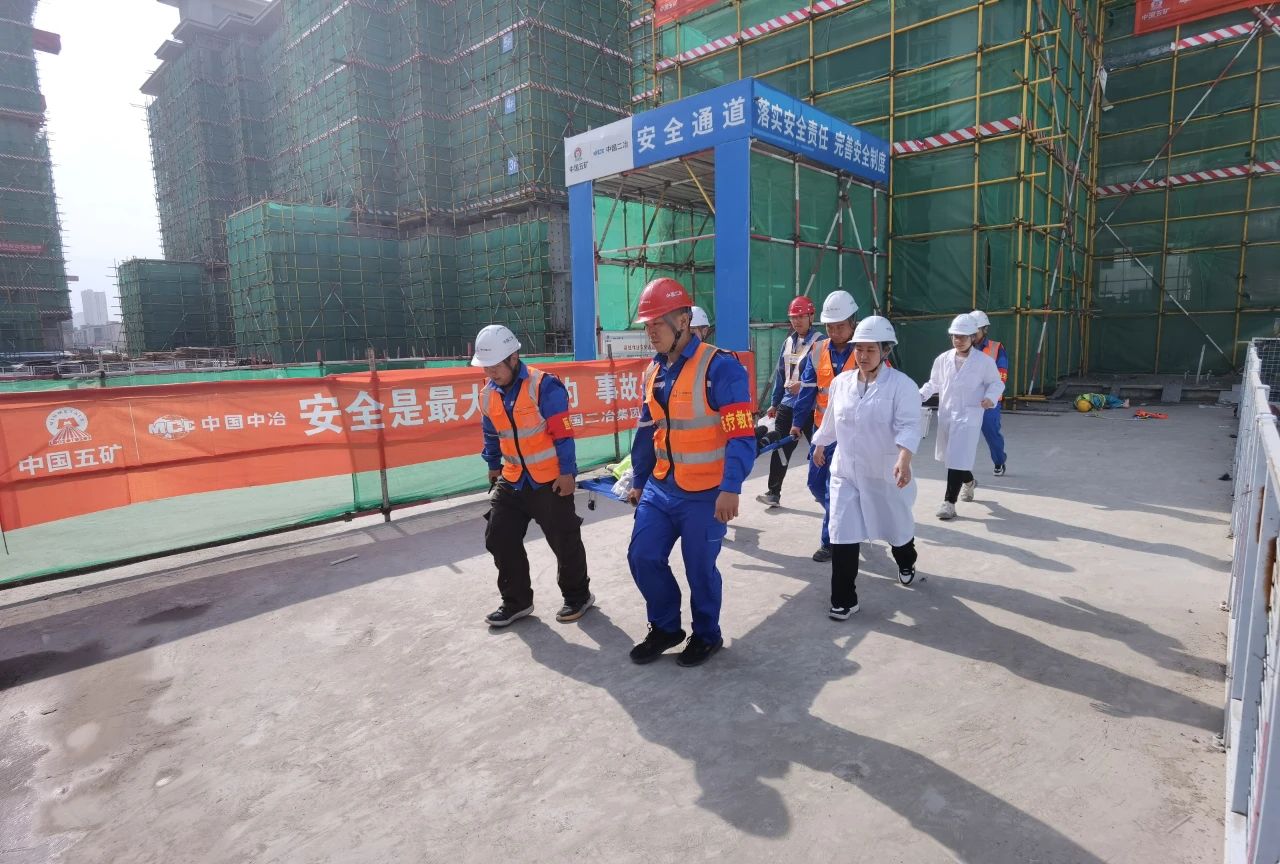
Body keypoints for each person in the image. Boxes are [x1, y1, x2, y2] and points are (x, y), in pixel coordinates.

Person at [626, 278, 755, 667]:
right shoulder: (653, 371)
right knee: (643, 556)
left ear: (683, 321)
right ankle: (666, 627)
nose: (651, 333)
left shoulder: (721, 368)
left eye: (657, 324)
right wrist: (638, 479)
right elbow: (647, 431)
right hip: (661, 487)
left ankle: (706, 635)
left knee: (699, 568)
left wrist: (731, 487)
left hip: (706, 493)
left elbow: (742, 436)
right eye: (647, 325)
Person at [475, 324, 593, 626]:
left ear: (513, 357)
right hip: (513, 479)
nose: (490, 373)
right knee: (498, 536)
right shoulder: (488, 395)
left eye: (495, 366)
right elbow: (491, 433)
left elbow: (563, 433)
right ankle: (516, 601)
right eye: (486, 367)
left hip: (549, 479)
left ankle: (578, 596)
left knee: (564, 539)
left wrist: (568, 473)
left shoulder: (544, 386)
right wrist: (493, 464)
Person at [810, 316, 920, 619]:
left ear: (885, 350)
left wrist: (904, 458)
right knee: (842, 533)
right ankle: (844, 600)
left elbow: (909, 426)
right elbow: (831, 420)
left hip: (883, 472)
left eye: (870, 349)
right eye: (859, 348)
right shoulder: (841, 383)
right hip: (845, 471)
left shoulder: (902, 386)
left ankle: (906, 560)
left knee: (896, 529)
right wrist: (820, 444)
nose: (863, 355)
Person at [790, 289, 859, 562]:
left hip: (852, 437)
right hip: (824, 433)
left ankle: (829, 542)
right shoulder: (818, 350)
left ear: (853, 322)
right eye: (830, 326)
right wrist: (797, 423)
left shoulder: (866, 350)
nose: (834, 331)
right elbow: (807, 390)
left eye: (840, 326)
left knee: (834, 489)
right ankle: (843, 517)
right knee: (816, 484)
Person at [919, 313, 1005, 520]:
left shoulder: (984, 362)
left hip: (969, 415)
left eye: (963, 336)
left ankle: (949, 503)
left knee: (957, 458)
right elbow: (934, 383)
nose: (958, 340)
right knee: (954, 459)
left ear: (973, 337)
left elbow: (996, 383)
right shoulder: (942, 360)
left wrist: (990, 397)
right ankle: (970, 482)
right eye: (955, 336)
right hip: (948, 414)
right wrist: (918, 396)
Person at [756, 295, 821, 508]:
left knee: (821, 449)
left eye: (801, 316)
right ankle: (773, 493)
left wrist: (803, 385)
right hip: (787, 404)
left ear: (811, 316)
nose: (797, 321)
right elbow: (780, 374)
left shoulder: (820, 343)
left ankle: (825, 488)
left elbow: (826, 376)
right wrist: (774, 403)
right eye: (793, 317)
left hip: (811, 407)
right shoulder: (788, 342)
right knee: (780, 448)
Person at [971, 310, 1009, 475]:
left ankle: (999, 461)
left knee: (991, 432)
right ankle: (961, 469)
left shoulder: (996, 348)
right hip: (968, 399)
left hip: (989, 401)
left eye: (976, 330)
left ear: (984, 329)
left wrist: (991, 396)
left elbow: (1002, 374)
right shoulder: (963, 348)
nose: (972, 334)